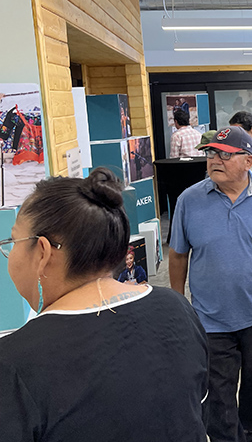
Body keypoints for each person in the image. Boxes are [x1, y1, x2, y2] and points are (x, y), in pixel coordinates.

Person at [0, 168, 208, 441]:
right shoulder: (177, 308)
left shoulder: (14, 362)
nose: (9, 254)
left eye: (13, 241)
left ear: (42, 251)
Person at [169, 126, 252, 442]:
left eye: (225, 154)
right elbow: (177, 256)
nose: (214, 160)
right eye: (211, 153)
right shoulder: (189, 200)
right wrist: (177, 304)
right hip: (210, 319)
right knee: (217, 394)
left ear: (248, 161)